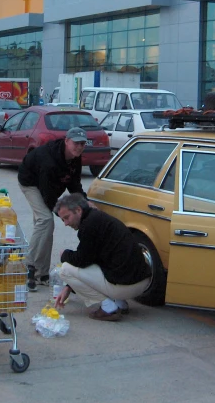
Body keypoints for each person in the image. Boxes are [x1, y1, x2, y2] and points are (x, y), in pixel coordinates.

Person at [53, 193, 151, 321]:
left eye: (67, 217)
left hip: (125, 286)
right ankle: (119, 303)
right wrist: (69, 287)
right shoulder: (99, 218)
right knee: (105, 263)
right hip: (142, 281)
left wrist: (64, 254)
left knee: (65, 269)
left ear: (78, 210)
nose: (66, 223)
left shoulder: (89, 226)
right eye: (62, 220)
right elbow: (91, 259)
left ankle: (109, 308)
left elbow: (82, 261)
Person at [18, 127, 89, 291]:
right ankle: (28, 267)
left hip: (48, 188)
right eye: (76, 143)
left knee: (45, 227)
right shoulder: (48, 160)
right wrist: (63, 214)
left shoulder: (75, 159)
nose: (79, 147)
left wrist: (85, 203)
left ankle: (41, 274)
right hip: (31, 183)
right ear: (66, 141)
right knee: (46, 220)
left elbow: (74, 185)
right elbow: (48, 197)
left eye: (83, 143)